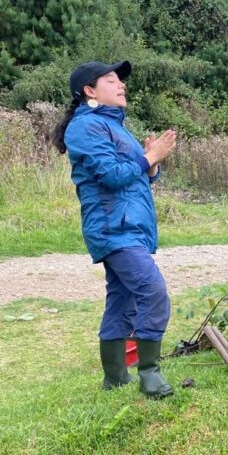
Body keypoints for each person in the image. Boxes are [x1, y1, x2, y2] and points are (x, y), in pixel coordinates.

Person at [53, 60, 177, 398]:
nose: (120, 84)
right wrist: (148, 157)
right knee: (153, 293)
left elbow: (137, 173)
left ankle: (115, 378)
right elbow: (112, 176)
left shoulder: (116, 126)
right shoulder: (85, 128)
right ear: (89, 91)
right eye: (111, 80)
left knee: (121, 302)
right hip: (112, 227)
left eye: (120, 81)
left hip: (130, 227)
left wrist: (152, 163)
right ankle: (149, 375)